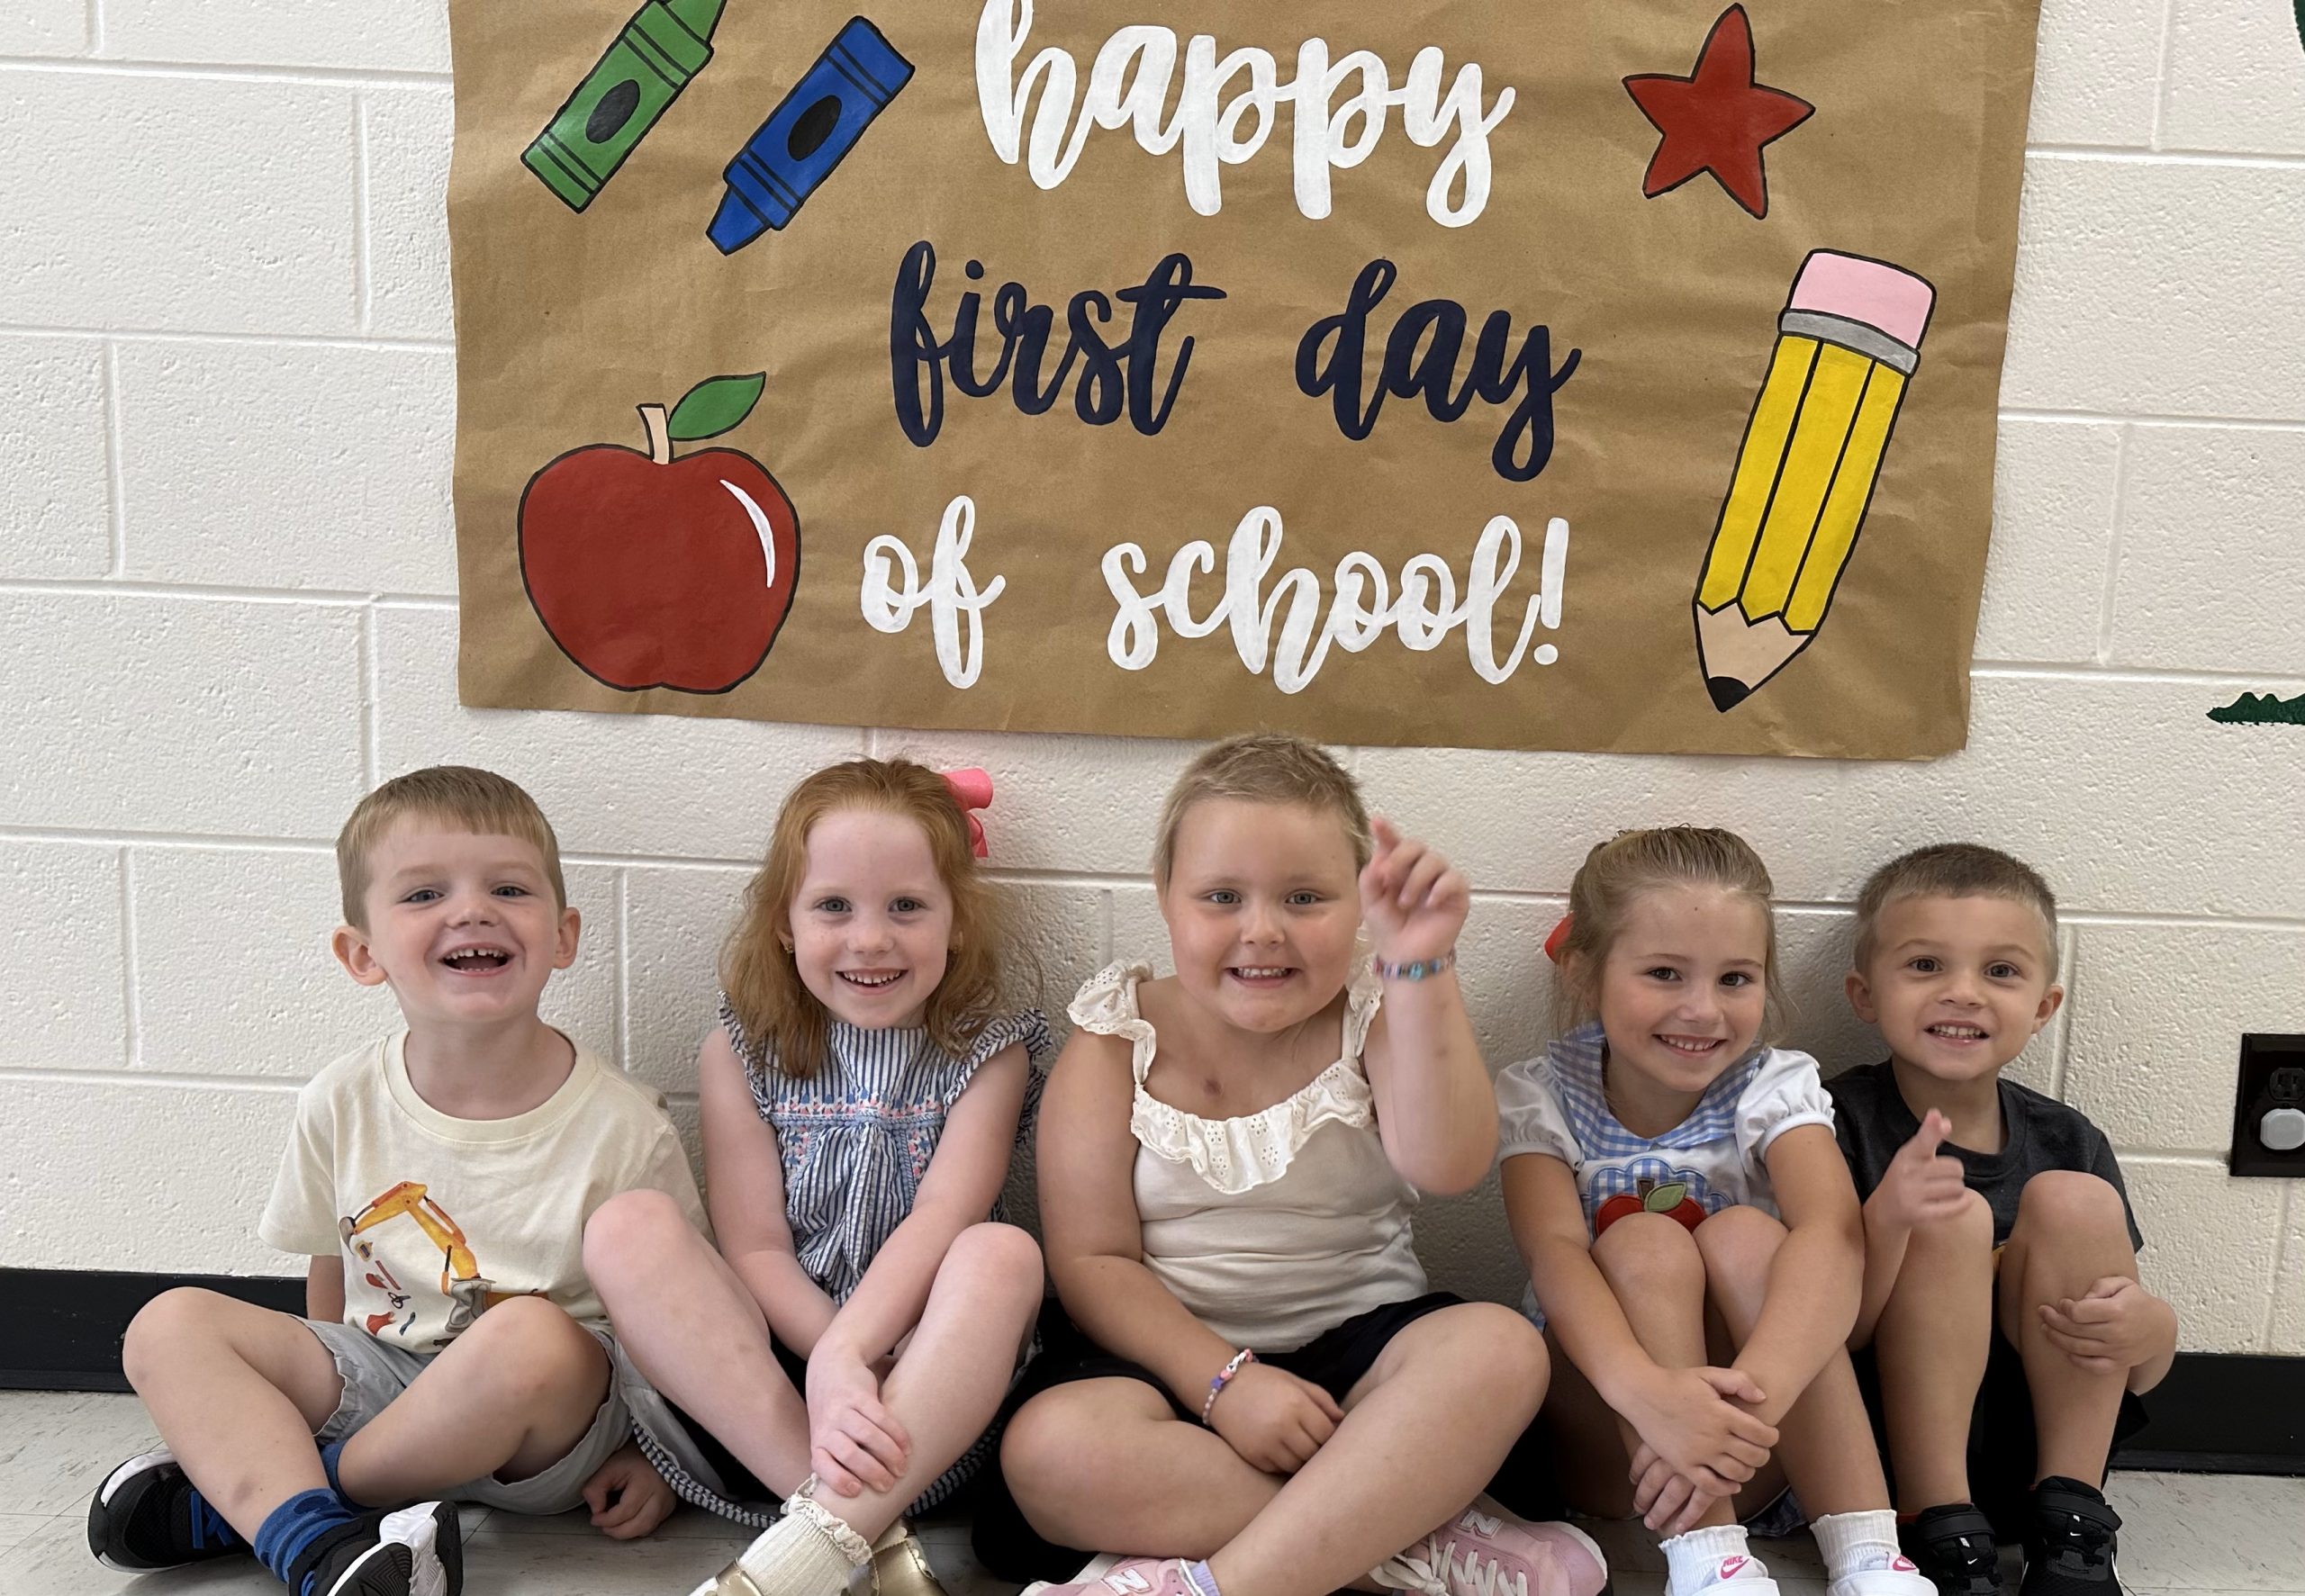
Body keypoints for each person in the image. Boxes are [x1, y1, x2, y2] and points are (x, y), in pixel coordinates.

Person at [979, 732, 1606, 1596]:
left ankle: (1213, 1584)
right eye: (1221, 896)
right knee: (1051, 1451)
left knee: (1501, 1351)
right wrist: (1224, 1385)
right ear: (1165, 898)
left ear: (1360, 907)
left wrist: (1422, 966)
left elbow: (1450, 1161)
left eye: (1306, 897)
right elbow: (1092, 1261)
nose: (1262, 930)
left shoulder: (1379, 1010)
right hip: (1167, 1367)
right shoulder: (1113, 1035)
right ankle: (1403, 1544)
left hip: (1367, 1366)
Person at [88, 765, 704, 1596]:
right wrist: (317, 1387)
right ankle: (318, 1549)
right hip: (385, 1374)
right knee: (166, 1323)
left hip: (552, 1427)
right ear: (362, 952)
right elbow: (329, 1270)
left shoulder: (626, 1122)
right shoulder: (340, 1099)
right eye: (423, 895)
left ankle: (278, 1500)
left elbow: (684, 1323)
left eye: (508, 887)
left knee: (525, 1332)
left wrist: (661, 1460)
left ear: (563, 936)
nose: (471, 909)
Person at [582, 758, 1050, 1596]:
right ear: (786, 923)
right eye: (834, 905)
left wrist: (855, 1353)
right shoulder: (742, 1050)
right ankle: (865, 1538)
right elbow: (755, 1247)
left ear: (957, 924)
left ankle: (793, 1561)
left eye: (907, 905)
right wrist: (827, 1358)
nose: (870, 938)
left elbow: (944, 1215)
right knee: (626, 1227)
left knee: (1001, 1252)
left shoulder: (987, 1050)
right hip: (771, 1396)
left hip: (922, 1392)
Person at [1498, 827, 1933, 1596]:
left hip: (1755, 1439)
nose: (1701, 1010)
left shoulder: (1774, 1085)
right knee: (1642, 1242)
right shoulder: (1542, 1094)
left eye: (1736, 978)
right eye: (1664, 972)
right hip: (1607, 1431)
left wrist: (1741, 1407)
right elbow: (1556, 1257)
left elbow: (1832, 1235)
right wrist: (1651, 1396)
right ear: (1583, 971)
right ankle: (1708, 1562)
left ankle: (1869, 1553)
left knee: (1747, 1235)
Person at [1831, 843, 2173, 1596]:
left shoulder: (2068, 1141)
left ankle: (2073, 1524)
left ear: (2044, 1006)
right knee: (1947, 1213)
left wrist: (2154, 1330)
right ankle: (1939, 1530)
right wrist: (1895, 1220)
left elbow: (2135, 1358)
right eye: (1925, 965)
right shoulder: (1831, 1122)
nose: (1963, 993)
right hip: (1889, 1453)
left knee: (2073, 1200)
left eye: (2001, 970)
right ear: (1864, 993)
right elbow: (1830, 1333)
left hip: (2035, 1451)